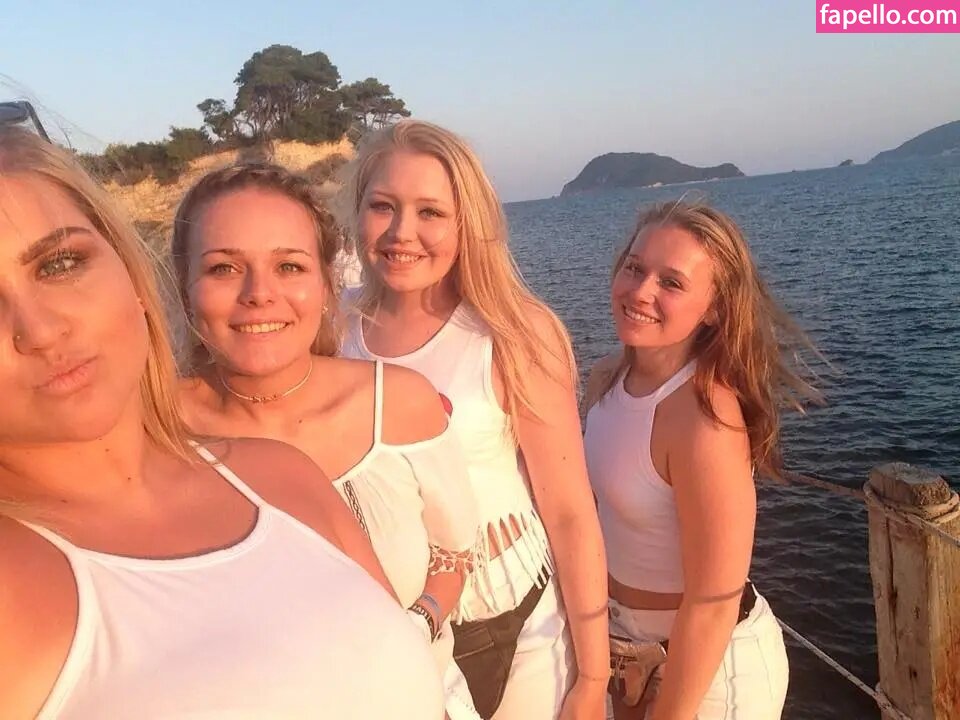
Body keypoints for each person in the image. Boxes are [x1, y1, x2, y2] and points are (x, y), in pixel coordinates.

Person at [0, 126, 444, 720]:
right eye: (224, 269)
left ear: (132, 277)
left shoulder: (280, 476)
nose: (39, 330)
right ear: (185, 287)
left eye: (59, 263)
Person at [170, 162, 481, 719]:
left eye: (289, 266)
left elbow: (454, 552)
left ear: (325, 284)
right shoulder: (152, 435)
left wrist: (415, 627)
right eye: (223, 268)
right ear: (184, 287)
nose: (259, 294)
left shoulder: (399, 404)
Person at [337, 119, 610, 720]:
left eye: (431, 212)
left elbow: (569, 511)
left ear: (468, 223)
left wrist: (593, 678)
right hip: (394, 632)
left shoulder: (511, 333)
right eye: (383, 206)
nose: (402, 232)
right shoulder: (334, 331)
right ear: (357, 214)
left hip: (520, 627)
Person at [584, 200, 813, 719]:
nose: (641, 291)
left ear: (714, 308)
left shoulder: (703, 417)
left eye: (671, 282)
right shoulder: (606, 380)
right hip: (624, 653)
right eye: (635, 268)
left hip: (706, 672)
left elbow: (713, 603)